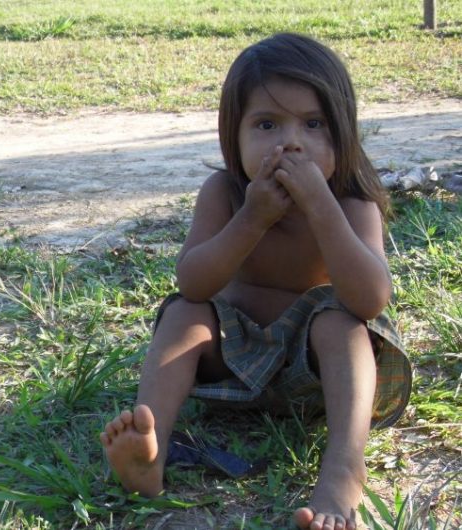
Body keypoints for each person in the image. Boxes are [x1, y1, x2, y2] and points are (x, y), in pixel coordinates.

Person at [100, 33, 411, 530]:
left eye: (313, 124)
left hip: (313, 373)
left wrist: (322, 209)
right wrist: (251, 218)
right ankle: (149, 447)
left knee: (343, 325)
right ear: (234, 135)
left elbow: (370, 300)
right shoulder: (223, 194)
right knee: (184, 313)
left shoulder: (353, 204)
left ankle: (344, 469)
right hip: (231, 362)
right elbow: (194, 283)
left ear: (342, 133)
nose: (291, 142)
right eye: (267, 124)